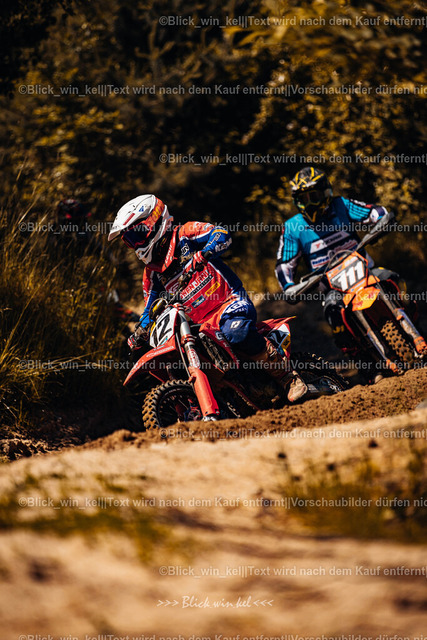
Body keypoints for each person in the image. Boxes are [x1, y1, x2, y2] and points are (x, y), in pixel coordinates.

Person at [108, 194, 306, 401]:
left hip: (230, 303)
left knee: (235, 331)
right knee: (183, 356)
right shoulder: (151, 274)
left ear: (155, 221)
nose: (136, 244)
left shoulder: (185, 234)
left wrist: (205, 253)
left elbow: (221, 234)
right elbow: (150, 309)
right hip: (200, 325)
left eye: (138, 235)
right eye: (130, 240)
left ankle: (288, 377)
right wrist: (140, 331)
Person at [275, 166, 405, 380]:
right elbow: (284, 265)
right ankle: (366, 365)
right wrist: (289, 287)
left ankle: (410, 319)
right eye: (303, 199)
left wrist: (382, 219)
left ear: (326, 192)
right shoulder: (293, 227)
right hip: (333, 288)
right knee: (333, 311)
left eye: (314, 196)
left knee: (390, 278)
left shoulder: (341, 205)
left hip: (366, 273)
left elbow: (374, 212)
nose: (310, 203)